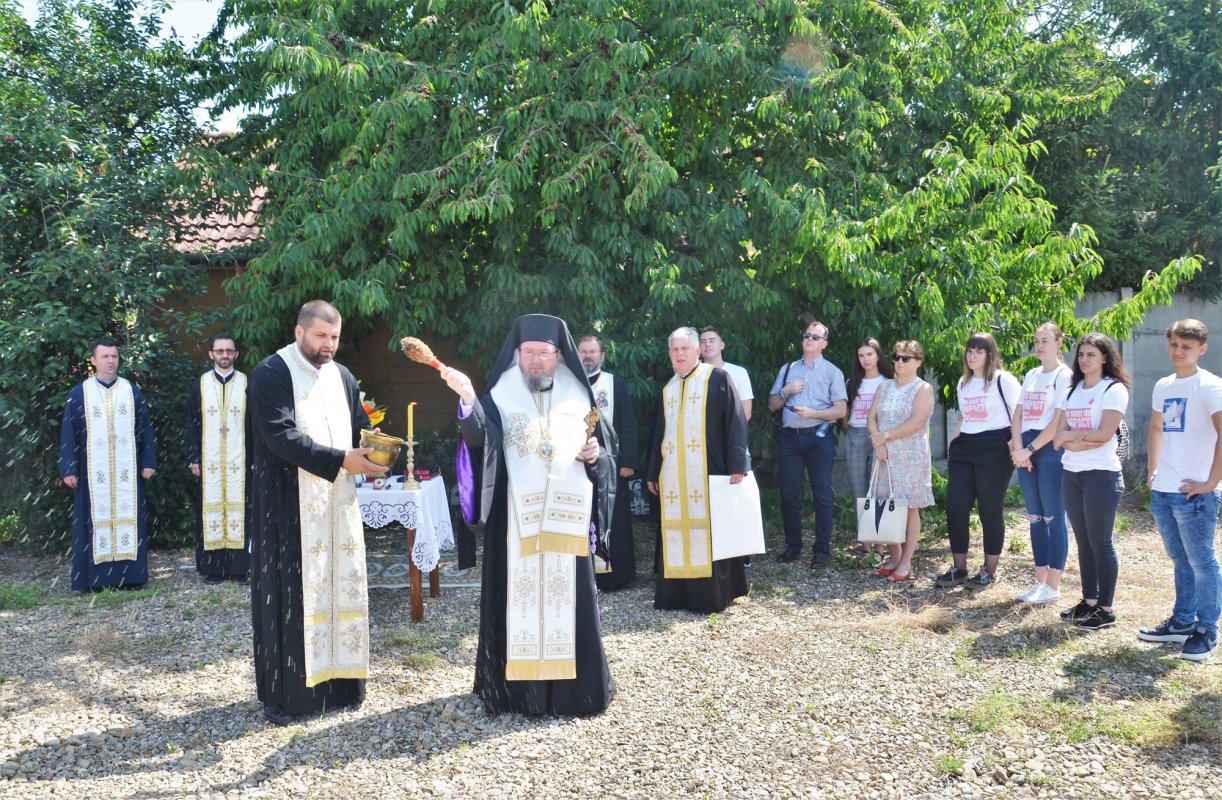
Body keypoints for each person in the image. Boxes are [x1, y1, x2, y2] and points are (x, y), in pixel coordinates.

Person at [444, 314, 616, 716]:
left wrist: (596, 456)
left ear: (559, 354)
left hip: (566, 522)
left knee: (567, 603)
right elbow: (479, 442)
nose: (536, 361)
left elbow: (602, 450)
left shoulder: (581, 397)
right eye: (528, 353)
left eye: (544, 353)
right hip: (514, 523)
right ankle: (514, 695)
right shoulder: (500, 395)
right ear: (517, 354)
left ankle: (577, 693)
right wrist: (468, 400)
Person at [246, 300, 385, 726]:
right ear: (299, 331)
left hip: (336, 504)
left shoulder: (342, 375)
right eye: (321, 336)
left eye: (335, 337)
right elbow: (280, 436)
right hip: (287, 506)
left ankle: (340, 683)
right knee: (289, 596)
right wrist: (344, 459)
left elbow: (357, 423)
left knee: (339, 585)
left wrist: (375, 446)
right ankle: (288, 697)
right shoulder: (271, 373)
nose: (329, 345)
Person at [647, 327, 751, 612]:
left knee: (713, 533)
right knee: (675, 533)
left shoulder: (716, 378)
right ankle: (677, 596)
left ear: (697, 351)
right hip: (674, 477)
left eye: (685, 349)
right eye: (674, 350)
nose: (679, 354)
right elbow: (660, 433)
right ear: (669, 354)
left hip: (711, 472)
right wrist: (653, 470)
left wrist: (738, 465)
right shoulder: (667, 388)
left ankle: (714, 596)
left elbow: (736, 421)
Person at [1140, 319, 1222, 661]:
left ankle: (1207, 630)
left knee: (1202, 561)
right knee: (1180, 560)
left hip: (1195, 493)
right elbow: (1156, 427)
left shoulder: (1210, 386)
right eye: (1174, 344)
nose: (1178, 351)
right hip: (1165, 489)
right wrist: (1153, 469)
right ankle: (1182, 623)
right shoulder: (1163, 384)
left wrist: (1212, 482)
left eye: (1186, 347)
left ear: (1201, 349)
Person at [59, 338, 157, 591]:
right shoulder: (80, 393)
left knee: (130, 518)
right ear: (93, 360)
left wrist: (148, 461)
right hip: (92, 472)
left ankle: (130, 577)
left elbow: (145, 429)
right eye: (105, 357)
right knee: (91, 521)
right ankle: (93, 580)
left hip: (127, 471)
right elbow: (69, 433)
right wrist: (68, 468)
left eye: (114, 356)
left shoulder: (131, 391)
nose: (111, 361)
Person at [1054, 333, 1130, 630]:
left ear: (1105, 358)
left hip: (1102, 475)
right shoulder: (1072, 390)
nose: (1084, 359)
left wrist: (1070, 438)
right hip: (1072, 473)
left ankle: (1106, 610)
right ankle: (1089, 601)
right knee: (1084, 542)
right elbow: (1059, 434)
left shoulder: (1113, 389)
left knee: (1101, 542)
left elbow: (1103, 434)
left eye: (1091, 355)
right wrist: (1073, 440)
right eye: (1081, 354)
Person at [936, 332, 1020, 590]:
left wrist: (1013, 444)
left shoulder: (1003, 380)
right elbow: (964, 413)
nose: (972, 355)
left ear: (990, 354)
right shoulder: (964, 382)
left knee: (989, 511)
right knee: (956, 507)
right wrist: (956, 436)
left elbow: (1019, 413)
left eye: (978, 351)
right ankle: (959, 569)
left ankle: (988, 571)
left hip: (995, 446)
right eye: (969, 351)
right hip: (965, 448)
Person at [768, 320, 847, 568]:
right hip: (790, 438)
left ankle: (822, 550)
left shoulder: (832, 372)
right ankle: (793, 546)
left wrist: (813, 413)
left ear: (824, 344)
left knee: (822, 496)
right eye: (806, 335)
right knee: (788, 494)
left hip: (818, 438)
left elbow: (841, 410)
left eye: (815, 337)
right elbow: (772, 405)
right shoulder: (789, 368)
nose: (809, 340)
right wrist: (786, 391)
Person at [1009, 323, 1074, 606]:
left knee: (1053, 516)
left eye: (1045, 340)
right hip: (1026, 446)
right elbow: (1018, 414)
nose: (1039, 345)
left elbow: (1059, 421)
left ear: (1059, 342)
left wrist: (1032, 449)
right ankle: (1040, 582)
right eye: (1036, 341)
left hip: (1049, 448)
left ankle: (1053, 585)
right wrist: (1019, 448)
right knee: (1035, 516)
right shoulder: (1032, 374)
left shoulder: (1064, 375)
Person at [866, 340, 935, 582]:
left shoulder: (922, 389)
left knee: (910, 507)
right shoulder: (884, 387)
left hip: (910, 456)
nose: (899, 362)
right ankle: (894, 556)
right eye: (896, 357)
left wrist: (886, 435)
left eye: (906, 358)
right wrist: (879, 440)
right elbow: (871, 417)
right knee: (887, 504)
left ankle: (906, 562)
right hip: (884, 455)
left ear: (918, 361)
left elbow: (917, 421)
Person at [185, 331, 250, 583]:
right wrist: (193, 457)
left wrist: (254, 458)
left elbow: (253, 425)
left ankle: (239, 568)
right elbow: (191, 423)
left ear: (235, 354)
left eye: (229, 351)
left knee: (241, 512)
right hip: (209, 463)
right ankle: (213, 569)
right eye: (220, 351)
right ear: (211, 354)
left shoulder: (246, 383)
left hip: (239, 461)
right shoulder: (200, 384)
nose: (225, 355)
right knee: (209, 511)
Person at [578, 334, 640, 590]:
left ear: (602, 355)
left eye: (593, 352)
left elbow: (628, 424)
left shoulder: (616, 384)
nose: (588, 356)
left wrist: (629, 460)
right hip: (577, 463)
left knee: (613, 518)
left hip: (612, 466)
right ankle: (583, 576)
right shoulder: (568, 384)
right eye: (583, 352)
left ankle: (614, 576)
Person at [844, 338, 895, 562]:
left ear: (878, 356)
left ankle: (880, 545)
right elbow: (845, 412)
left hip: (880, 438)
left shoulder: (889, 381)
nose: (865, 359)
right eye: (861, 355)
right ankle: (866, 544)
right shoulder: (852, 381)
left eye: (869, 354)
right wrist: (850, 431)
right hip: (855, 434)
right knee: (859, 489)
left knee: (879, 489)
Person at [699, 326, 754, 420]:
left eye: (712, 340)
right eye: (703, 342)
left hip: (729, 432)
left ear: (721, 345)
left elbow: (746, 412)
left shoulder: (739, 372)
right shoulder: (694, 375)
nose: (707, 344)